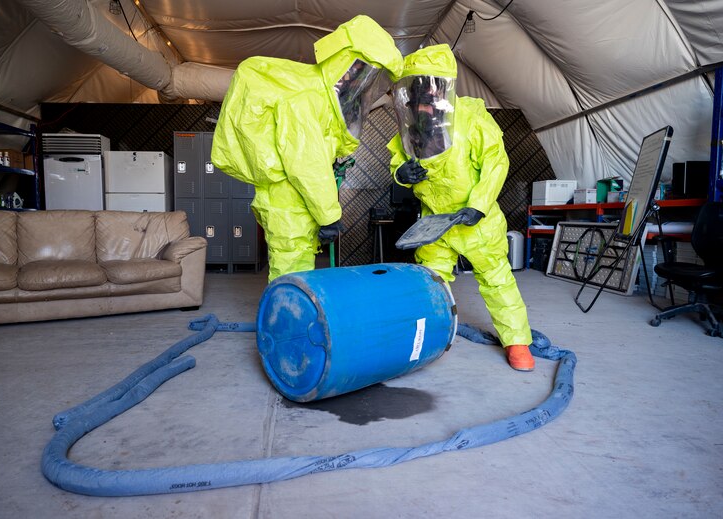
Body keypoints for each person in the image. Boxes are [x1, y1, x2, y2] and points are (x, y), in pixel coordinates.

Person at [211, 15, 403, 281]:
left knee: (298, 270)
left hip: (296, 202)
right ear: (343, 61)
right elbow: (305, 163)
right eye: (361, 69)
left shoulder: (320, 99)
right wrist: (329, 216)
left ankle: (294, 307)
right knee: (290, 273)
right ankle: (286, 310)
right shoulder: (307, 98)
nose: (362, 81)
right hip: (288, 201)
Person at [388, 44, 534, 371]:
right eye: (415, 94)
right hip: (436, 222)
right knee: (430, 281)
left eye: (427, 92)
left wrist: (478, 206)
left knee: (496, 279)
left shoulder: (471, 119)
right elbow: (397, 162)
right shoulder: (409, 127)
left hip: (475, 220)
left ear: (442, 88)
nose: (422, 102)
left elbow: (496, 163)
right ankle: (426, 336)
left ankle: (517, 342)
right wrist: (401, 174)